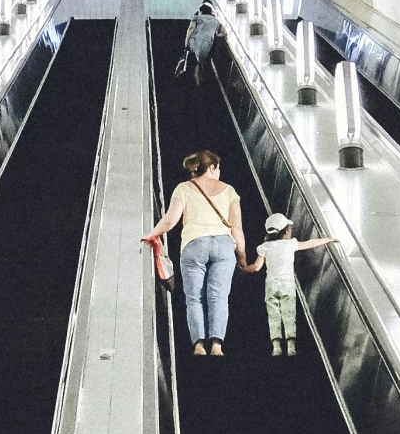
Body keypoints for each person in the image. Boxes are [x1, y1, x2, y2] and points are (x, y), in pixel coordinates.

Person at [143, 148, 246, 355]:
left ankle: (199, 345)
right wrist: (242, 259)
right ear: (212, 167)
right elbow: (237, 229)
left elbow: (170, 220)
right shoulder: (230, 190)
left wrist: (150, 234)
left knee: (195, 297)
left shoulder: (183, 188)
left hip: (194, 245)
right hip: (224, 246)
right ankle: (217, 346)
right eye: (218, 168)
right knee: (219, 296)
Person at [246, 212, 334, 356]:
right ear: (286, 230)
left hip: (271, 284)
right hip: (287, 284)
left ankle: (276, 347)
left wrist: (243, 268)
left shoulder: (264, 247)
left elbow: (256, 267)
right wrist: (329, 239)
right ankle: (291, 346)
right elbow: (309, 244)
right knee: (289, 312)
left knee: (273, 314)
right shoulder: (290, 244)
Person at [177, 1, 220, 85]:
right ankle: (199, 82)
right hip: (207, 47)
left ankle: (183, 79)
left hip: (195, 44)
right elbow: (224, 32)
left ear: (201, 11)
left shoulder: (197, 17)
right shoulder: (215, 22)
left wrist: (186, 44)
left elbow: (190, 29)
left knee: (189, 60)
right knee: (199, 62)